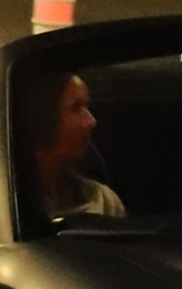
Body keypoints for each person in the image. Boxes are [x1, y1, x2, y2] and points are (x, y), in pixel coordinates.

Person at [21, 70, 125, 219]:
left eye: (86, 107)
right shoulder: (3, 204)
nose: (91, 121)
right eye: (76, 107)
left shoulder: (103, 201)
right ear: (42, 114)